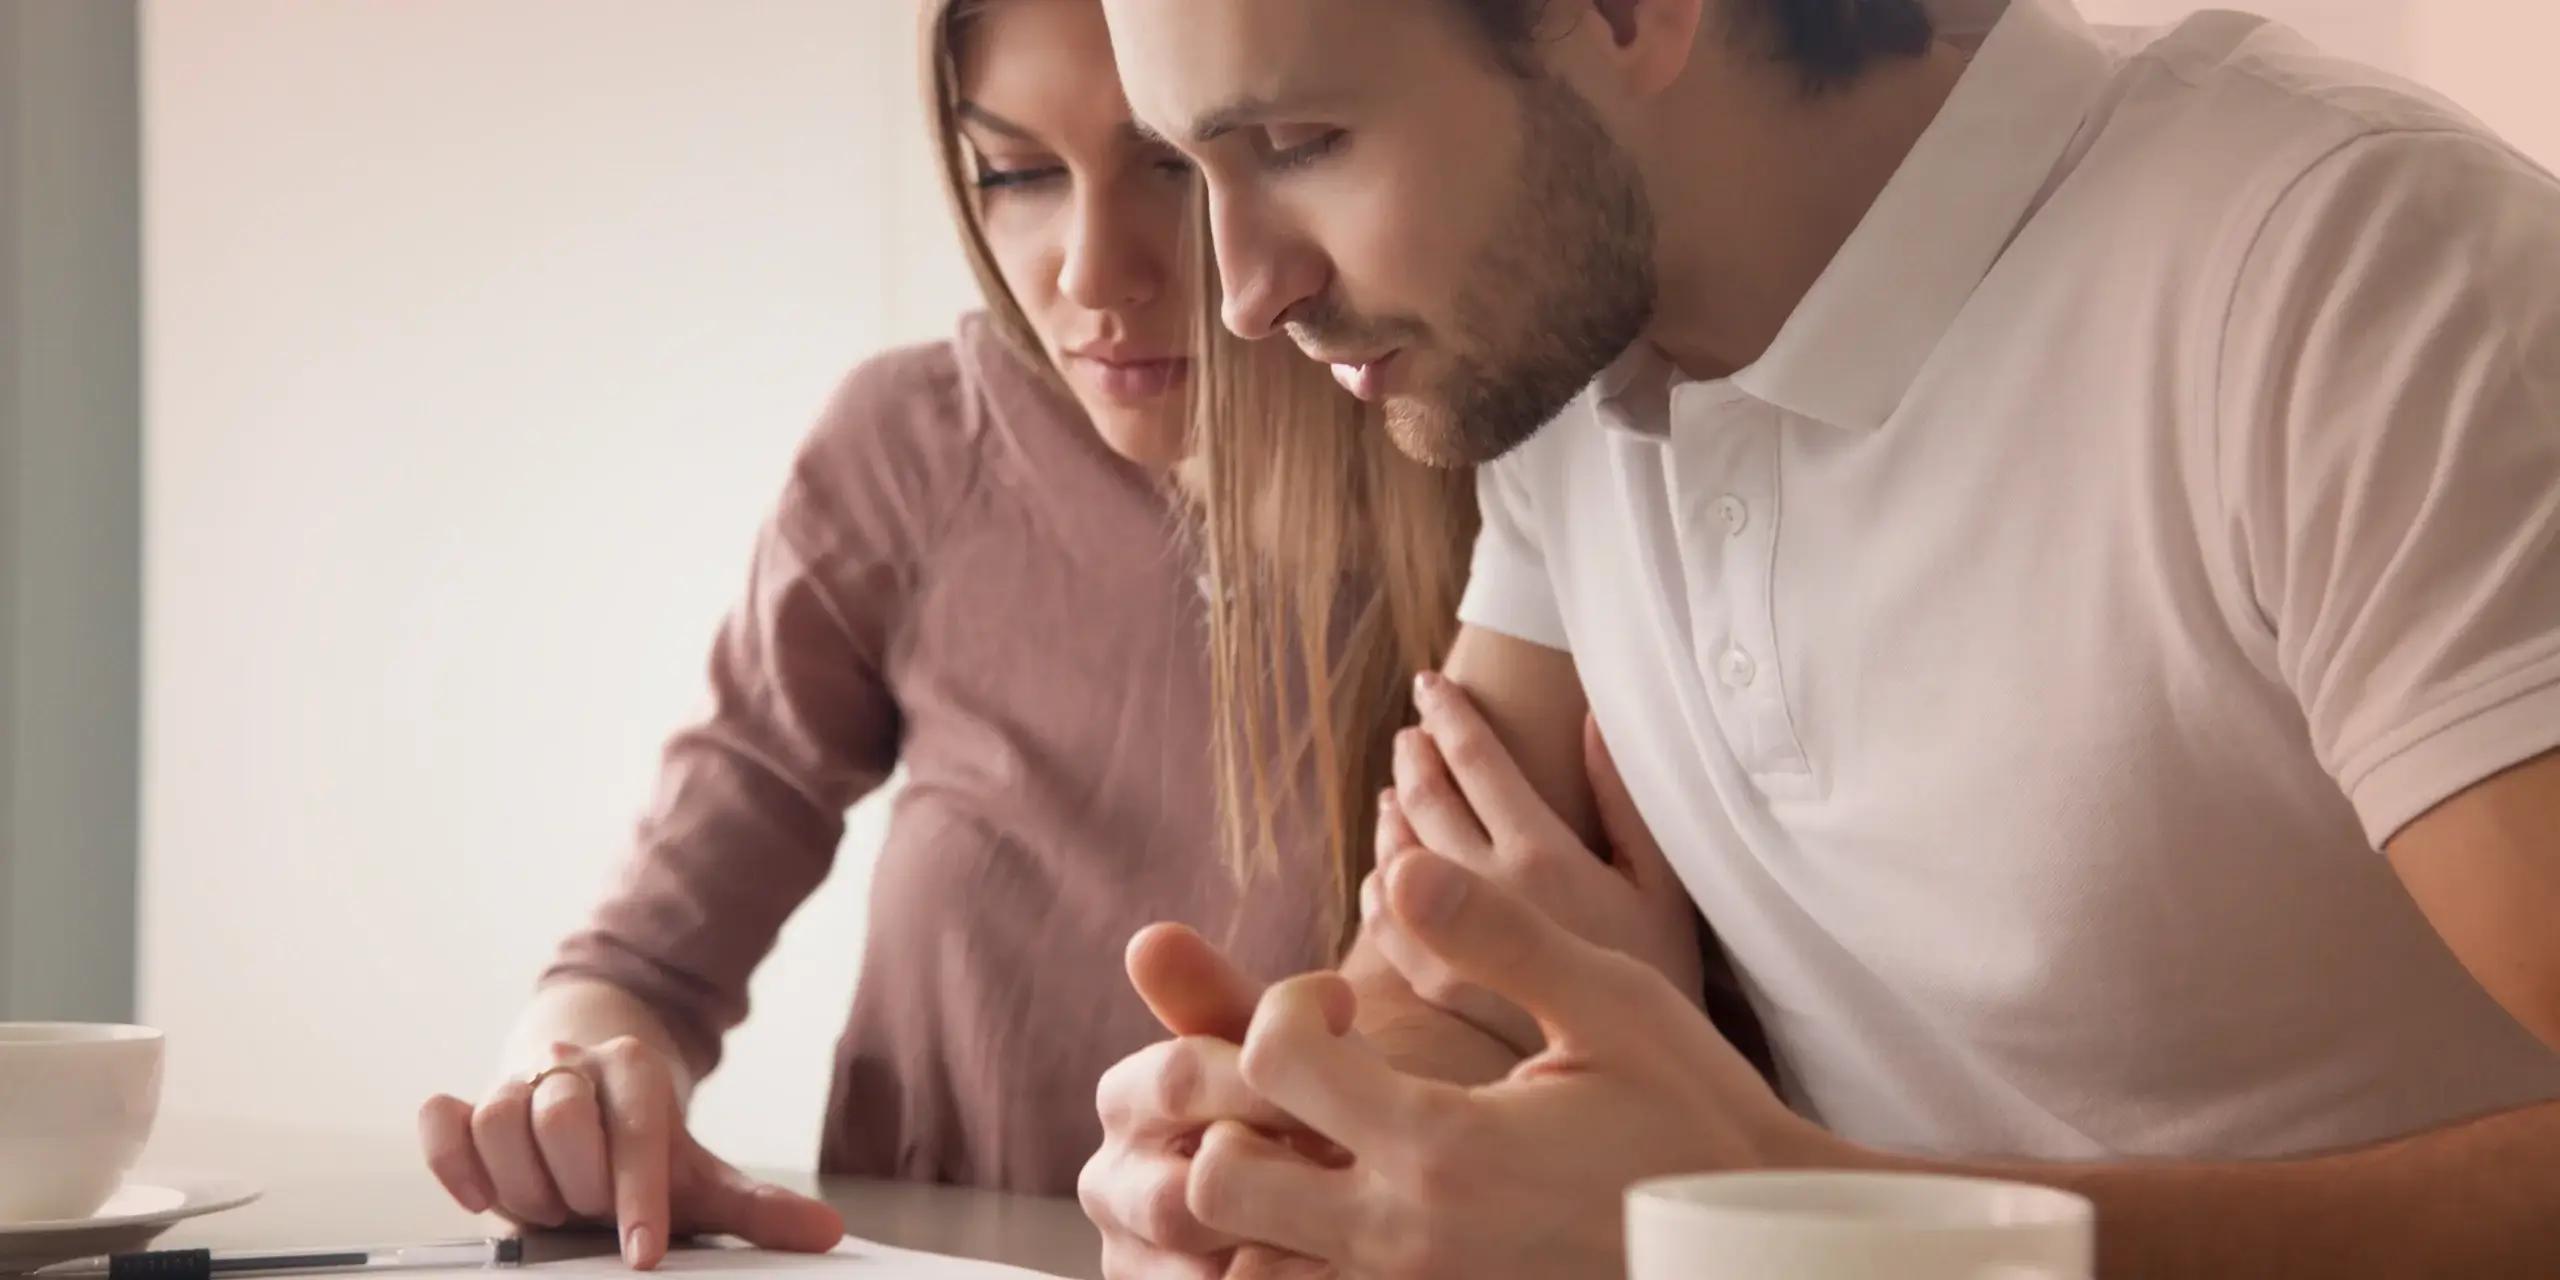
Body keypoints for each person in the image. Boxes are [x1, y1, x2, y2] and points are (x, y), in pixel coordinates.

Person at [1085, 0, 2560, 1274]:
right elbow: (1450, 988)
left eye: (1298, 145)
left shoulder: (2341, 280)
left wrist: (1787, 1233)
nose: (1243, 290)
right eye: (1190, 167)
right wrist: (1306, 1156)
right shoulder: (1558, 361)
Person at [409, 0, 1473, 1270]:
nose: (1088, 274)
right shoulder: (912, 448)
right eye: (1015, 174)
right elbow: (639, 961)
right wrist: (571, 1091)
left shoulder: (1501, 498)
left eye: (1171, 166)